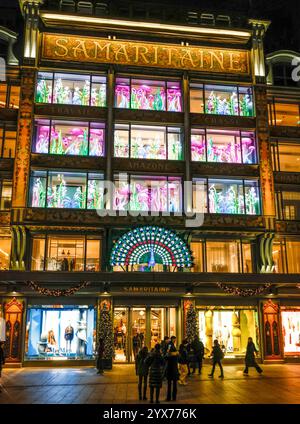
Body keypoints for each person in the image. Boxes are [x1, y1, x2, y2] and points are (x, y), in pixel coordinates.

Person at [165, 336, 179, 401]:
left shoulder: (172, 345)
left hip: (172, 367)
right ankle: (172, 397)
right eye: (175, 339)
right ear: (173, 339)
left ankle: (170, 397)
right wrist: (175, 353)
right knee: (172, 383)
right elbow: (167, 353)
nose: (175, 340)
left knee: (171, 383)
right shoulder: (170, 345)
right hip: (172, 367)